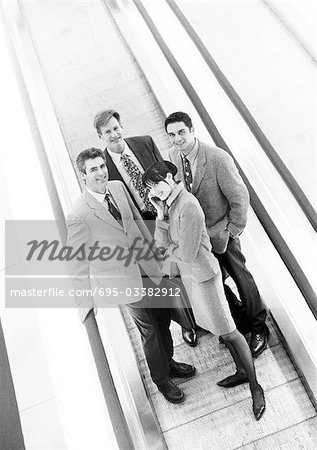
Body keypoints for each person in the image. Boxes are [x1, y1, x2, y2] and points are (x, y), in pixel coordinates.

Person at [66, 148, 196, 403]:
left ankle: (168, 362)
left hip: (147, 266)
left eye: (102, 166)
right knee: (149, 328)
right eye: (93, 169)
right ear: (83, 176)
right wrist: (84, 302)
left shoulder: (116, 187)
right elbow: (77, 261)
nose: (101, 172)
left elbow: (137, 220)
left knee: (162, 318)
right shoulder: (79, 214)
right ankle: (161, 379)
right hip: (122, 281)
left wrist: (158, 255)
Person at [142, 161, 266, 420]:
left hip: (205, 277)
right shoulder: (170, 206)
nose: (156, 191)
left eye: (157, 185)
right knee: (221, 329)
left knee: (230, 333)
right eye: (151, 189)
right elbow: (161, 243)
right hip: (192, 277)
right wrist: (161, 216)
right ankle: (242, 372)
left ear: (169, 177)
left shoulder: (187, 205)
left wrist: (167, 249)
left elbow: (185, 253)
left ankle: (256, 387)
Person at [165, 111, 269, 357]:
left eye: (181, 132)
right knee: (215, 282)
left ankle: (258, 328)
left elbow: (240, 198)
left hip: (222, 232)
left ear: (192, 130)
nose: (177, 139)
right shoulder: (173, 157)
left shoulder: (217, 158)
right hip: (198, 239)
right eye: (172, 135)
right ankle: (239, 321)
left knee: (242, 278)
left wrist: (231, 231)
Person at [93, 109, 197, 347]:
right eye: (107, 131)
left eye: (116, 128)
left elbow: (168, 176)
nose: (114, 134)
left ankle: (199, 317)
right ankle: (187, 325)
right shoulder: (102, 167)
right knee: (165, 277)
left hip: (167, 214)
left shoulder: (144, 143)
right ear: (100, 136)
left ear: (122, 127)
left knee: (184, 266)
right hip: (141, 228)